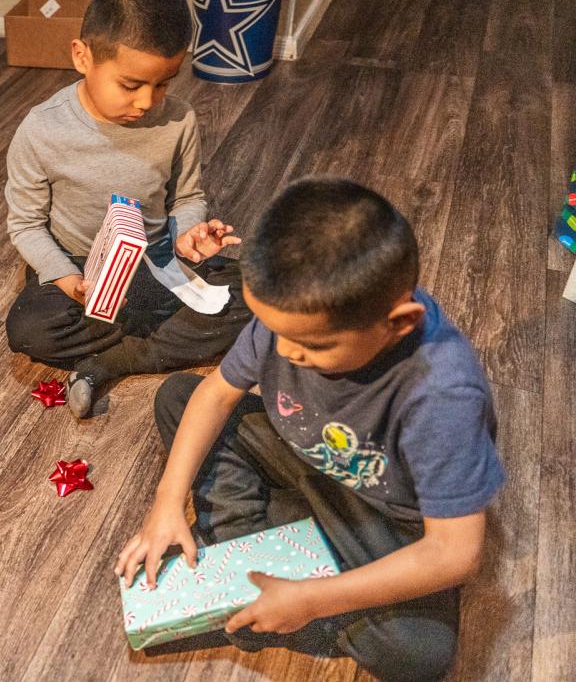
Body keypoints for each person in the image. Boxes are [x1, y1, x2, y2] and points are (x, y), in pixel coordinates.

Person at [115, 178, 505, 681]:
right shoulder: (295, 315)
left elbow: (455, 552)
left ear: (400, 323)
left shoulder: (442, 397)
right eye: (272, 330)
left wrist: (313, 601)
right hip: (310, 456)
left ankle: (276, 561)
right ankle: (277, 554)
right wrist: (166, 503)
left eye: (312, 347)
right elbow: (214, 394)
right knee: (179, 397)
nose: (285, 352)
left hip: (388, 519)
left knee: (417, 657)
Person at [3, 0, 250, 417]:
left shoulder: (179, 120)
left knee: (255, 294)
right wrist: (63, 276)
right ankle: (151, 333)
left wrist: (190, 235)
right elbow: (26, 224)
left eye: (164, 83)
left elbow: (187, 198)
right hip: (80, 268)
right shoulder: (41, 129)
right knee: (30, 330)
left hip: (156, 263)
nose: (146, 101)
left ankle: (113, 360)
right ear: (82, 57)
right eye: (130, 85)